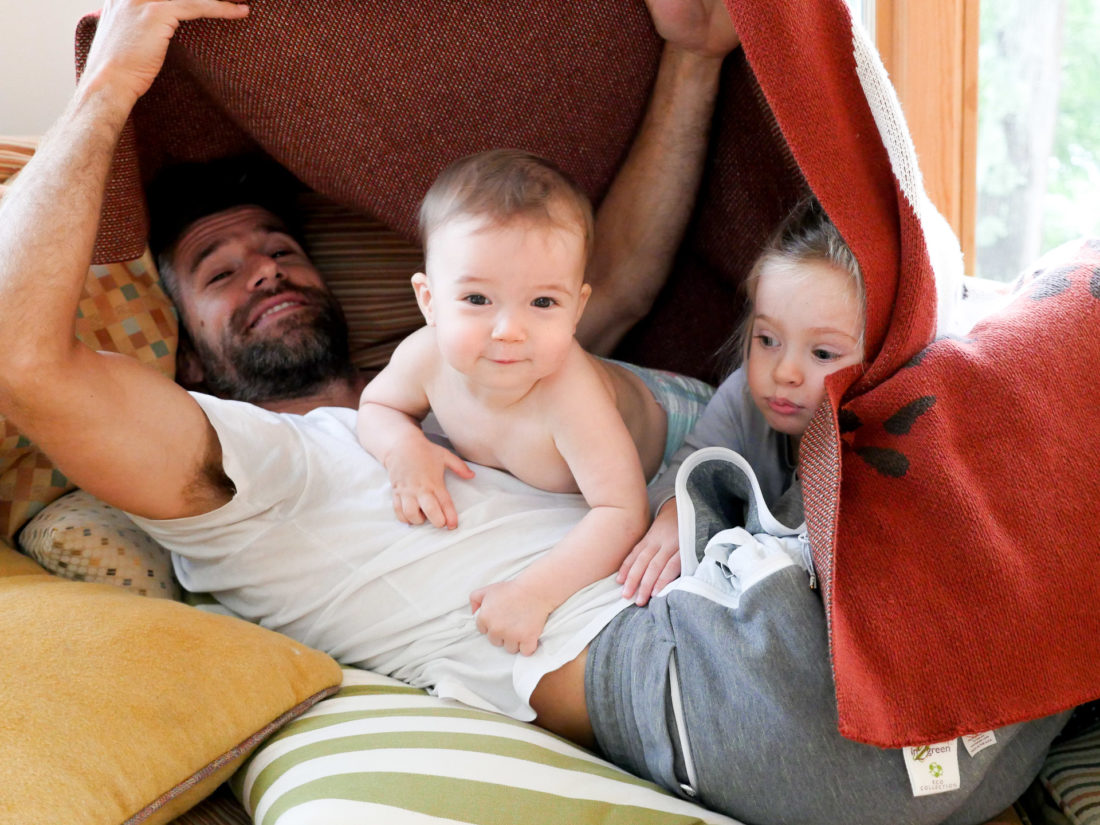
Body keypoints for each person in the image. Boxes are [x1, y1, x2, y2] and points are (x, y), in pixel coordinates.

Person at [0, 2, 1069, 824]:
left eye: (280, 250)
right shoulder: (244, 473)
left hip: (835, 641)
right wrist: (112, 83)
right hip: (747, 675)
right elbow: (25, 355)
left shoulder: (475, 374)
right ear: (183, 353)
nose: (265, 271)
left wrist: (692, 58)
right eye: (219, 271)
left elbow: (613, 284)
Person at [358, 148, 710, 655]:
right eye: (478, 300)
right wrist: (402, 450)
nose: (508, 331)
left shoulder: (570, 397)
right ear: (429, 300)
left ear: (576, 309)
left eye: (543, 302)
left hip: (677, 423)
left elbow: (620, 511)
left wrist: (534, 592)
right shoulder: (423, 358)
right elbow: (377, 407)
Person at [618, 196, 864, 606]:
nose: (784, 371)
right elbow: (686, 469)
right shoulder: (744, 398)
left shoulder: (878, 432)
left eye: (822, 354)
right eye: (767, 340)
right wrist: (676, 511)